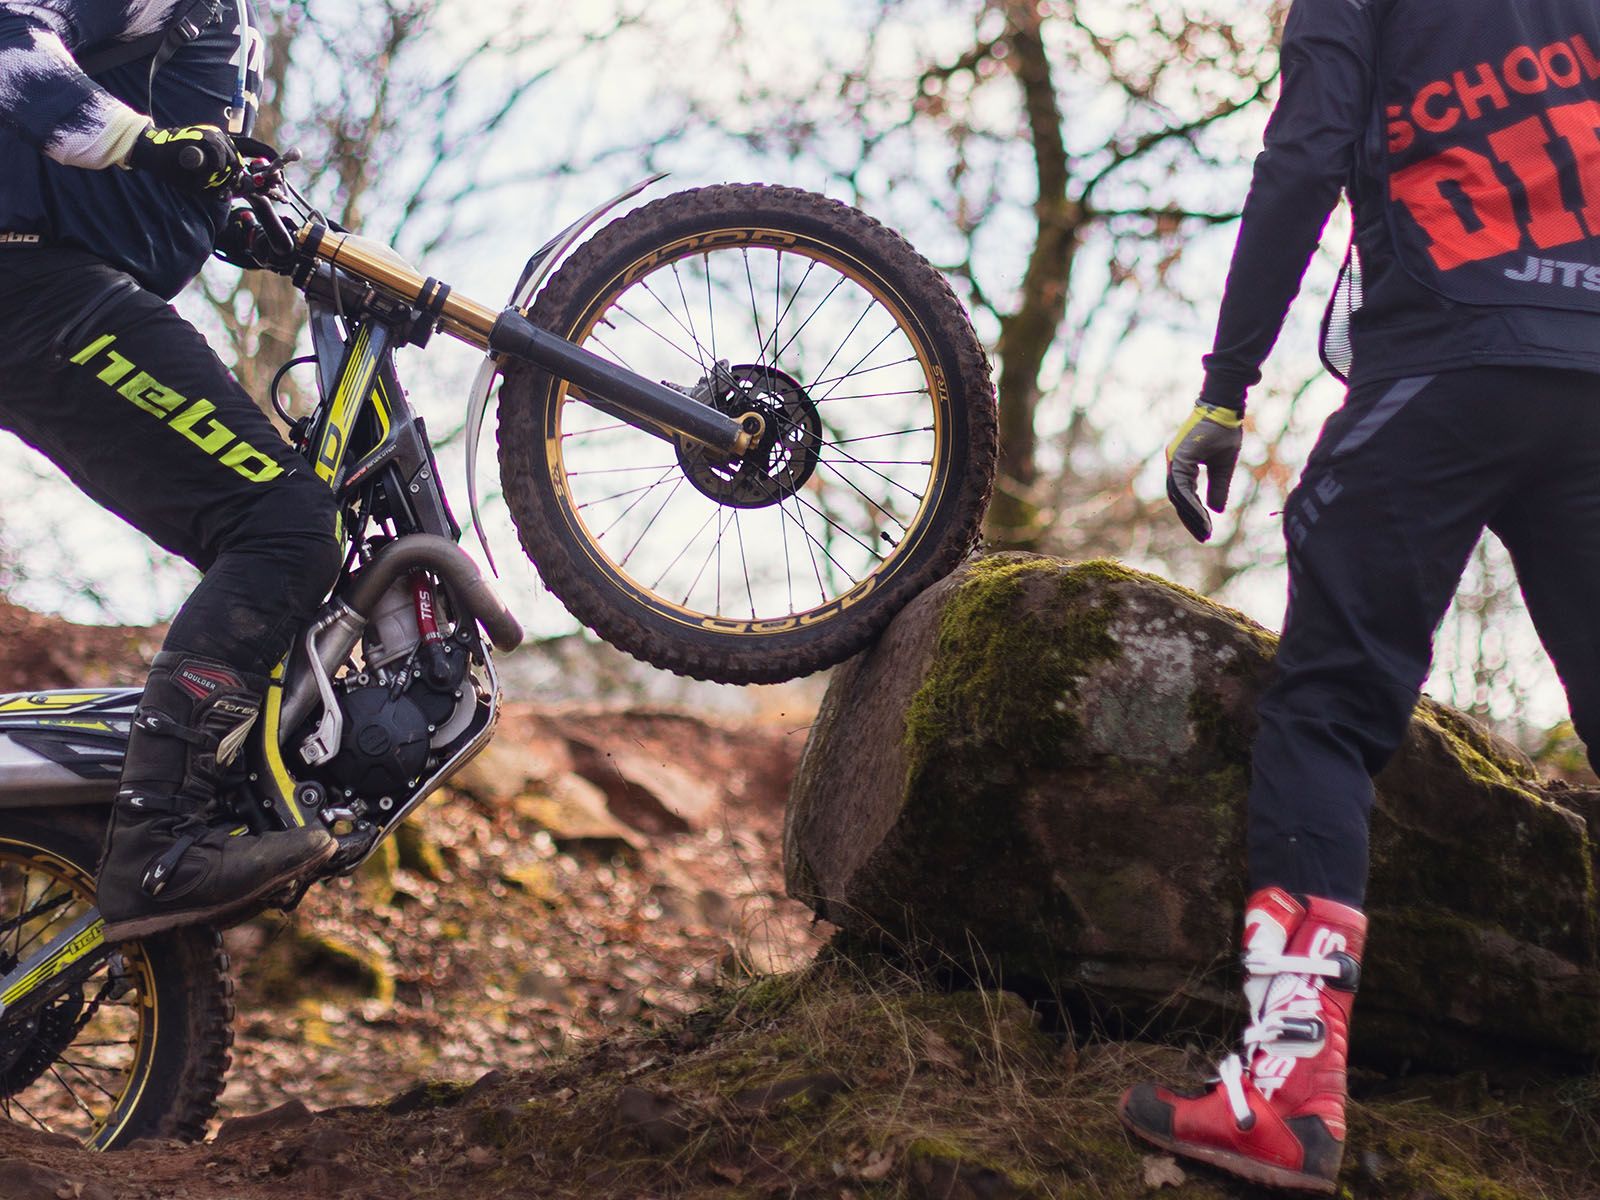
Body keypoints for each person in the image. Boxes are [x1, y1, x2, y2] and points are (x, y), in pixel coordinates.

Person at [1120, 0, 1600, 1192]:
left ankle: (1286, 1094)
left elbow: (1302, 157)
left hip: (1443, 367)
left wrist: (1226, 385)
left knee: (1327, 708)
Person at [0, 0, 338, 941]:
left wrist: (219, 191)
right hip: (38, 287)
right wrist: (144, 144)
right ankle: (160, 841)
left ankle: (204, 789)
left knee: (280, 528)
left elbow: (167, 138)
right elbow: (12, 35)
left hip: (58, 287)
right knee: (281, 525)